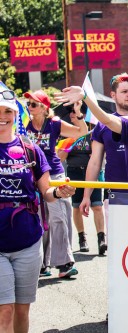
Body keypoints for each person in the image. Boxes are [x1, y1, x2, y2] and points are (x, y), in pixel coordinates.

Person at [0, 88, 76, 333]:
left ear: (16, 114)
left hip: (28, 240)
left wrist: (60, 192)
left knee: (22, 309)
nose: (3, 116)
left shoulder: (31, 149)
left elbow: (45, 193)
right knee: (5, 310)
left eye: (8, 111)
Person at [24, 89, 87, 278]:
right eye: (28, 104)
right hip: (33, 175)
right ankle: (43, 264)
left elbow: (81, 132)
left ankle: (64, 263)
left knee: (59, 216)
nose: (30, 107)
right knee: (40, 219)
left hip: (55, 174)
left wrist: (79, 114)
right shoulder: (24, 125)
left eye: (34, 104)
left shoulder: (54, 124)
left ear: (44, 108)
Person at [78, 73, 128, 254]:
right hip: (116, 194)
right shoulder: (102, 126)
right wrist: (86, 195)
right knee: (120, 249)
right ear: (113, 95)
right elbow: (95, 161)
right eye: (124, 91)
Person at [56, 103, 105, 254]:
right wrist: (68, 145)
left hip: (93, 173)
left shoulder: (94, 133)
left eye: (75, 113)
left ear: (83, 116)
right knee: (76, 206)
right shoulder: (66, 134)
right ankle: (82, 238)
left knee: (97, 205)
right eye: (70, 113)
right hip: (74, 171)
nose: (72, 116)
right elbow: (60, 158)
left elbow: (100, 157)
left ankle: (101, 238)